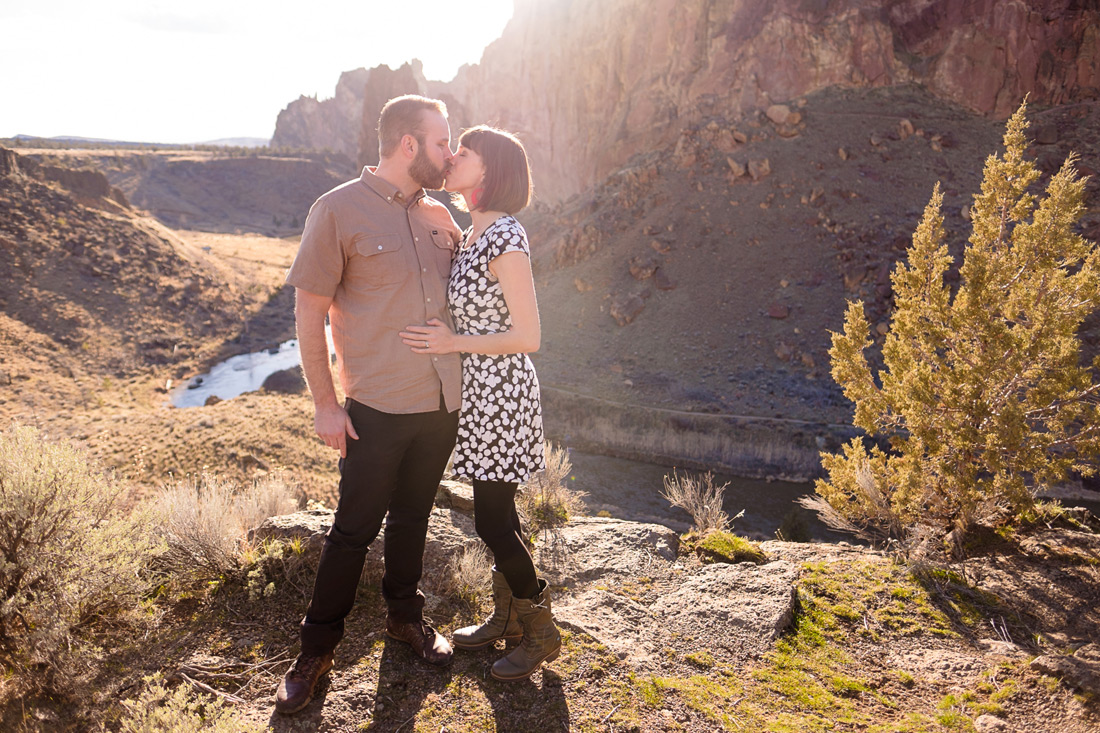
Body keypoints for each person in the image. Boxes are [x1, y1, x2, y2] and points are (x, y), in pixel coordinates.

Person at [275, 94, 464, 715]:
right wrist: (325, 405)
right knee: (352, 531)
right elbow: (309, 312)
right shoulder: (335, 210)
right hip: (375, 410)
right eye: (442, 142)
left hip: (441, 405)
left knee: (413, 517)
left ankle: (403, 621)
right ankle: (315, 650)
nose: (450, 153)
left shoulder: (441, 215)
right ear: (408, 144)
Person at [399, 125, 561, 681]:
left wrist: (452, 342)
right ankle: (509, 620)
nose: (452, 159)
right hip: (481, 394)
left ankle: (540, 633)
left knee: (492, 521)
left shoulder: (506, 237)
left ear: (488, 170)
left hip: (503, 393)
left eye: (463, 153)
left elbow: (530, 334)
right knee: (501, 514)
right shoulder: (474, 233)